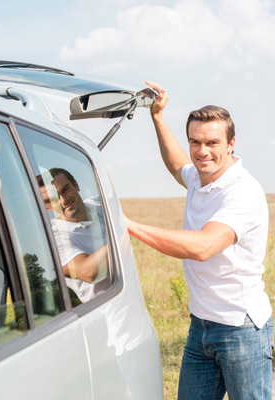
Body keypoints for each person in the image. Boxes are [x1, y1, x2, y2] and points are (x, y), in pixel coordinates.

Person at [126, 81, 273, 399]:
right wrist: (158, 118)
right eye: (195, 141)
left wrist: (127, 226)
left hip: (240, 328)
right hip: (201, 325)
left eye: (212, 142)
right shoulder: (200, 176)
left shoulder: (243, 192)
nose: (202, 151)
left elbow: (204, 246)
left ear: (231, 143)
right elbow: (178, 165)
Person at [45, 168, 110, 303]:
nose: (63, 200)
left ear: (76, 185)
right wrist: (121, 235)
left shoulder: (100, 203)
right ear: (48, 206)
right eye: (54, 199)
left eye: (66, 190)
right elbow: (88, 273)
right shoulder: (54, 237)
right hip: (107, 317)